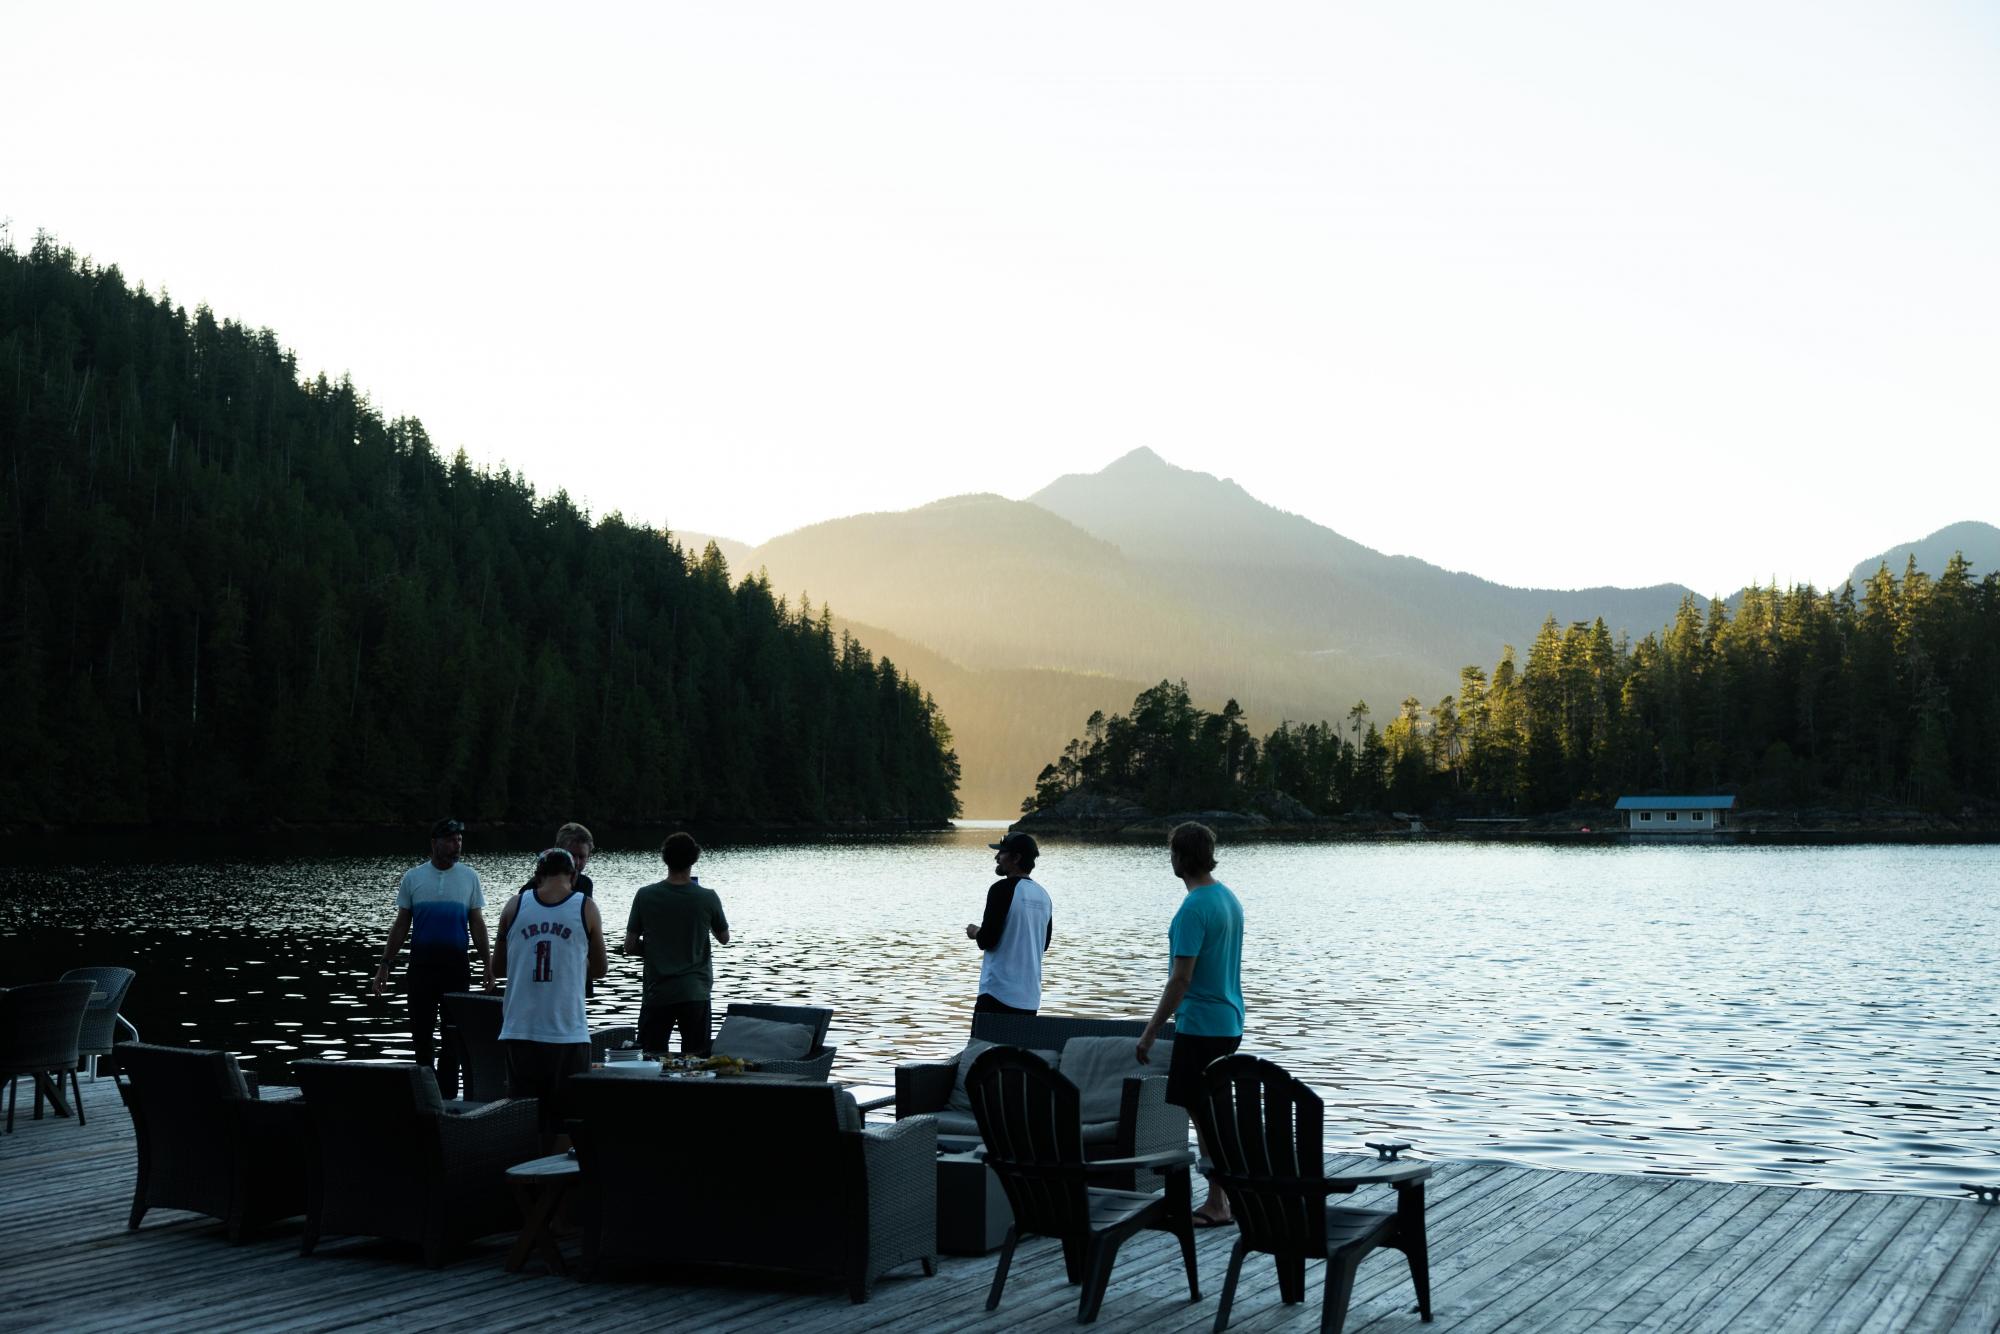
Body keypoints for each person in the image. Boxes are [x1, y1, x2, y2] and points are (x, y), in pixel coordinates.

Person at [1136, 820, 1244, 1227]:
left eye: (1172, 853)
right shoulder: (1227, 898)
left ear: (1179, 857)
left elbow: (1181, 978)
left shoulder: (1193, 909)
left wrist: (1149, 1032)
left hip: (1201, 1025)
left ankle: (1220, 1202)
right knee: (1210, 1112)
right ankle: (1225, 1197)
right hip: (1229, 1021)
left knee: (1206, 1116)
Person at [493, 847, 608, 1144]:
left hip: (519, 1031)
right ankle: (556, 1184)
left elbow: (498, 966)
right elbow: (600, 969)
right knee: (566, 1122)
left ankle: (523, 1178)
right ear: (573, 875)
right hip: (567, 1032)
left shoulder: (513, 906)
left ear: (537, 876)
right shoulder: (586, 907)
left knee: (523, 1118)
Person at [371, 818, 490, 1099]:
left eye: (459, 839)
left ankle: (447, 1098)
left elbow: (477, 923)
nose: (456, 844)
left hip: (456, 968)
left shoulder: (469, 877)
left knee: (453, 1036)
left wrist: (488, 964)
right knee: (421, 1035)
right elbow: (401, 925)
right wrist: (385, 965)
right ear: (434, 843)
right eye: (450, 839)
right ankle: (425, 1097)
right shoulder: (413, 878)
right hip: (422, 968)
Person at [624, 832, 729, 1056]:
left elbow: (630, 946)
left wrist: (655, 951)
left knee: (650, 1059)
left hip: (658, 993)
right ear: (694, 860)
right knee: (697, 1060)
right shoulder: (707, 897)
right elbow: (724, 938)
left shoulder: (645, 895)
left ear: (665, 859)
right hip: (695, 992)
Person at [963, 831, 1053, 1016]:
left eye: (1002, 853)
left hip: (997, 994)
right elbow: (1043, 945)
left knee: (983, 1046)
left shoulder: (1001, 890)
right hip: (1029, 999)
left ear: (1016, 857)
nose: (997, 857)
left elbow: (987, 940)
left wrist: (975, 932)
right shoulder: (1044, 896)